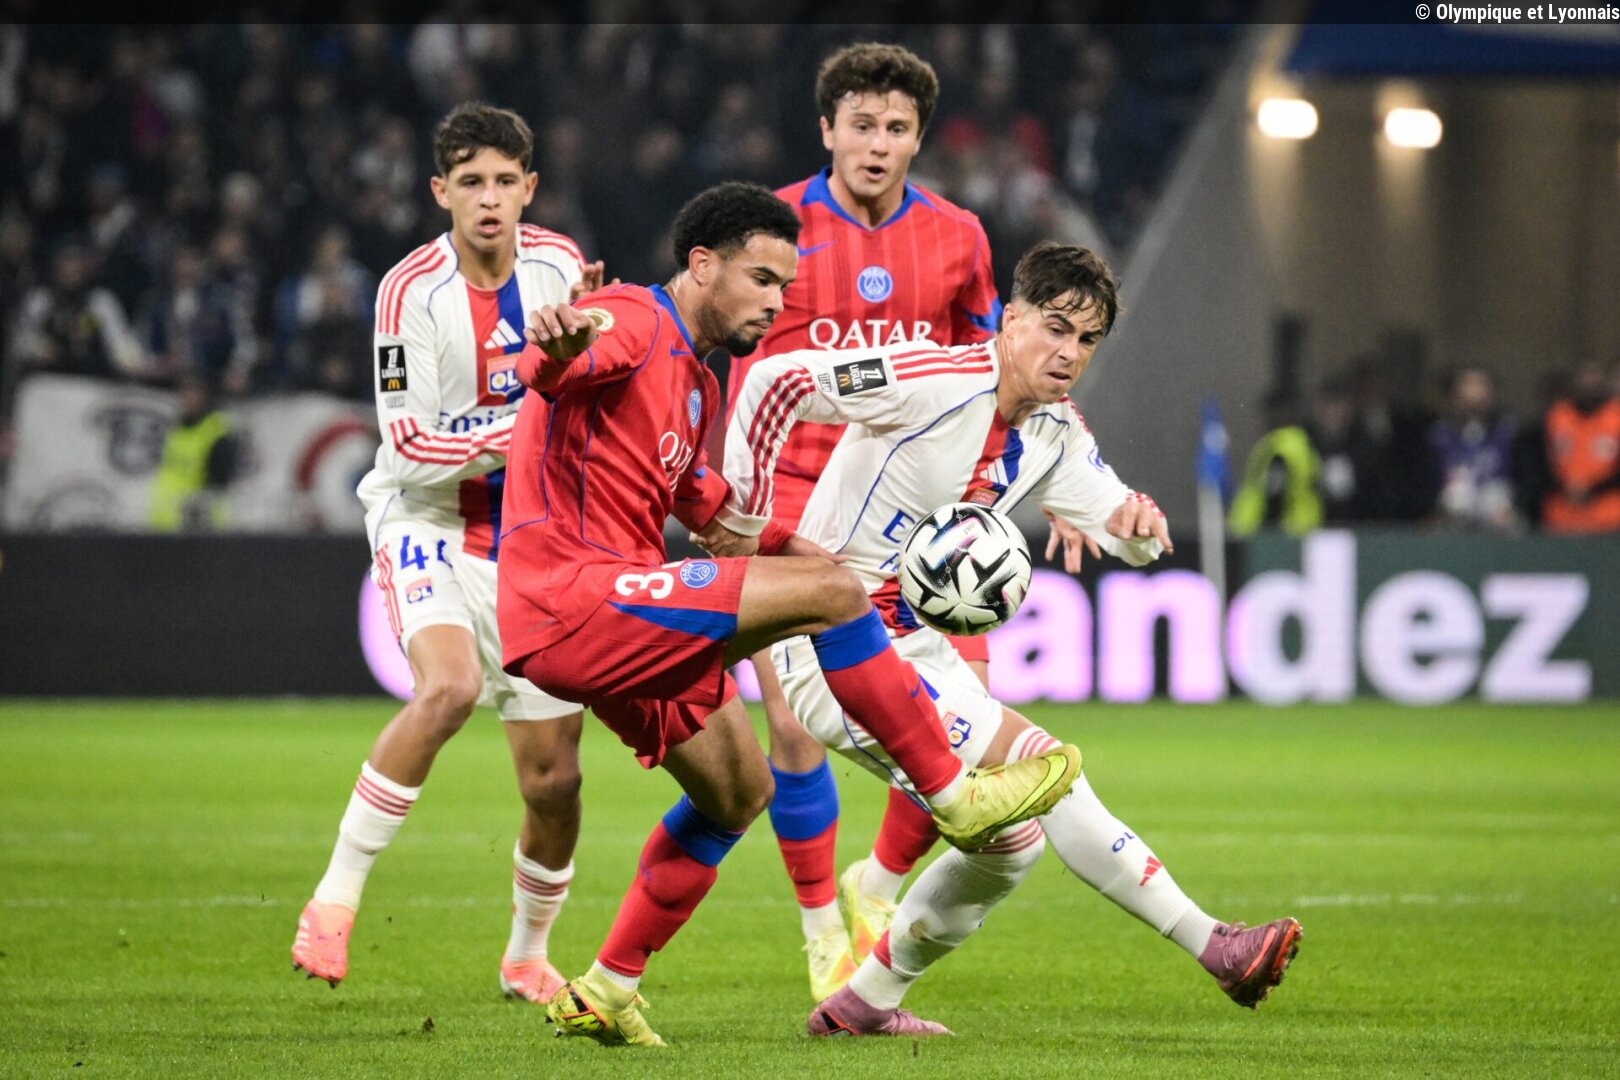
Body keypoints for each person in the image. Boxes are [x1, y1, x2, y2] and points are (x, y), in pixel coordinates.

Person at [495, 181, 1083, 1047]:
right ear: (703, 266)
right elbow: (550, 370)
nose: (778, 303)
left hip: (616, 610)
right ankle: (954, 796)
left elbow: (706, 506)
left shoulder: (696, 381)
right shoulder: (631, 316)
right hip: (571, 596)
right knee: (839, 598)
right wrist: (553, 347)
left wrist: (796, 548)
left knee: (739, 790)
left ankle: (609, 987)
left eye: (786, 285)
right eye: (763, 280)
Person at [724, 241, 1304, 1035]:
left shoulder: (1057, 433)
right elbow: (777, 380)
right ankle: (1216, 946)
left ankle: (864, 1004)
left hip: (915, 649)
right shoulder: (929, 378)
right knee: (1042, 766)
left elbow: (1122, 528)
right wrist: (740, 518)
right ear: (1010, 319)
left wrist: (1138, 526)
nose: (1069, 353)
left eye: (1087, 339)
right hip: (831, 646)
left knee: (1011, 845)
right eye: (1055, 328)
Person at [722, 41, 1090, 1000]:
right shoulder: (773, 229)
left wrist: (1070, 477)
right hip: (791, 502)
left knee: (960, 723)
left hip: (912, 514)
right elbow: (724, 346)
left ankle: (876, 886)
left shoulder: (958, 237)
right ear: (827, 130)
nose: (878, 144)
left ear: (920, 138)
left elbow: (1007, 367)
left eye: (897, 128)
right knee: (795, 733)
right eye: (862, 125)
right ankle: (821, 935)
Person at [291, 103, 603, 1007]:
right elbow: (408, 446)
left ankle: (526, 958)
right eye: (471, 182)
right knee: (450, 688)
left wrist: (589, 353)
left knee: (555, 779)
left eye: (505, 181)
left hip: (531, 541)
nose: (489, 198)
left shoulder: (559, 267)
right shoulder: (409, 293)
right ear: (440, 192)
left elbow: (589, 390)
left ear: (529, 188)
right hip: (424, 521)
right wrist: (529, 426)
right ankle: (334, 900)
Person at [1543, 362, 1620, 533]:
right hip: (1561, 513)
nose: (1588, 384)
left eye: (1593, 378)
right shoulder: (1558, 415)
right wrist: (1568, 487)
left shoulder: (1616, 414)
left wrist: (1592, 488)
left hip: (1609, 514)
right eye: (1583, 378)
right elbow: (1542, 463)